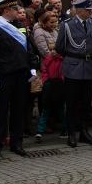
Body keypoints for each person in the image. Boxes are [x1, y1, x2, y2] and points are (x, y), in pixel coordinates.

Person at [0, 0, 40, 159]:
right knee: (1, 111)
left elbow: (29, 48)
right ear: (6, 10)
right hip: (4, 74)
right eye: (15, 10)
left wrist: (32, 67)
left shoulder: (20, 27)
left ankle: (17, 143)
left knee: (19, 110)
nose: (18, 12)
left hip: (21, 74)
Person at [55, 0, 92, 147]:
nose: (91, 12)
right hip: (73, 67)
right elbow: (60, 47)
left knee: (86, 103)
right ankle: (71, 133)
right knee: (72, 103)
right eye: (88, 10)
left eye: (91, 10)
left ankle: (84, 131)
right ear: (80, 11)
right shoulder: (67, 25)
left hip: (89, 68)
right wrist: (74, 56)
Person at [33, 8, 64, 143]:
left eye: (55, 22)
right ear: (44, 22)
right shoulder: (39, 33)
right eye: (51, 22)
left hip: (60, 71)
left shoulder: (56, 31)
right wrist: (54, 54)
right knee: (46, 104)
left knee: (60, 104)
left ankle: (64, 128)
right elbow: (45, 52)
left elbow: (61, 47)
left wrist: (59, 53)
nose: (54, 24)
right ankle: (40, 130)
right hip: (48, 72)